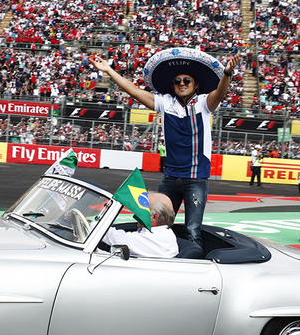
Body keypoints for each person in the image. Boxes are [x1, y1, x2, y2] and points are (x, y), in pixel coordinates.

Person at [91, 51, 238, 247]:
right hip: (170, 178)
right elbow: (134, 91)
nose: (182, 83)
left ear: (196, 85)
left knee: (193, 231)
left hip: (195, 179)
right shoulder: (165, 102)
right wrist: (108, 70)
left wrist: (227, 74)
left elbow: (220, 93)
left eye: (187, 80)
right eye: (177, 81)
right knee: (151, 225)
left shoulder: (203, 103)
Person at [102, 191, 180, 258]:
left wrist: (91, 225)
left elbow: (116, 238)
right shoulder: (164, 234)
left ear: (154, 217)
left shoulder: (157, 238)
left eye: (143, 208)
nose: (138, 211)